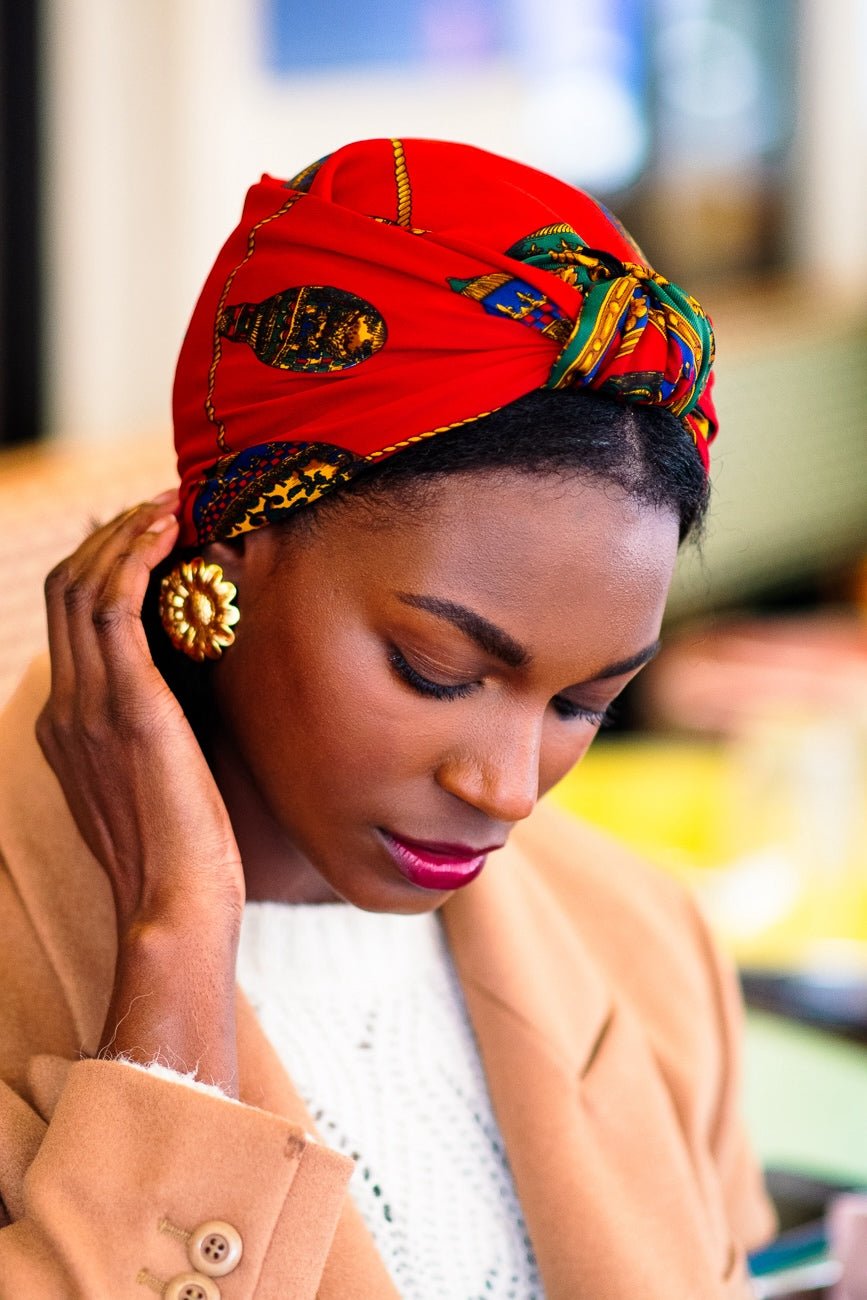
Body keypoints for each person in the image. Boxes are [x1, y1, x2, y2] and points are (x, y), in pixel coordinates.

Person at [0, 138, 774, 1298]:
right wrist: (171, 958)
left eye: (584, 702)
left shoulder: (647, 941)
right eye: (435, 667)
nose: (509, 789)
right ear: (231, 546)